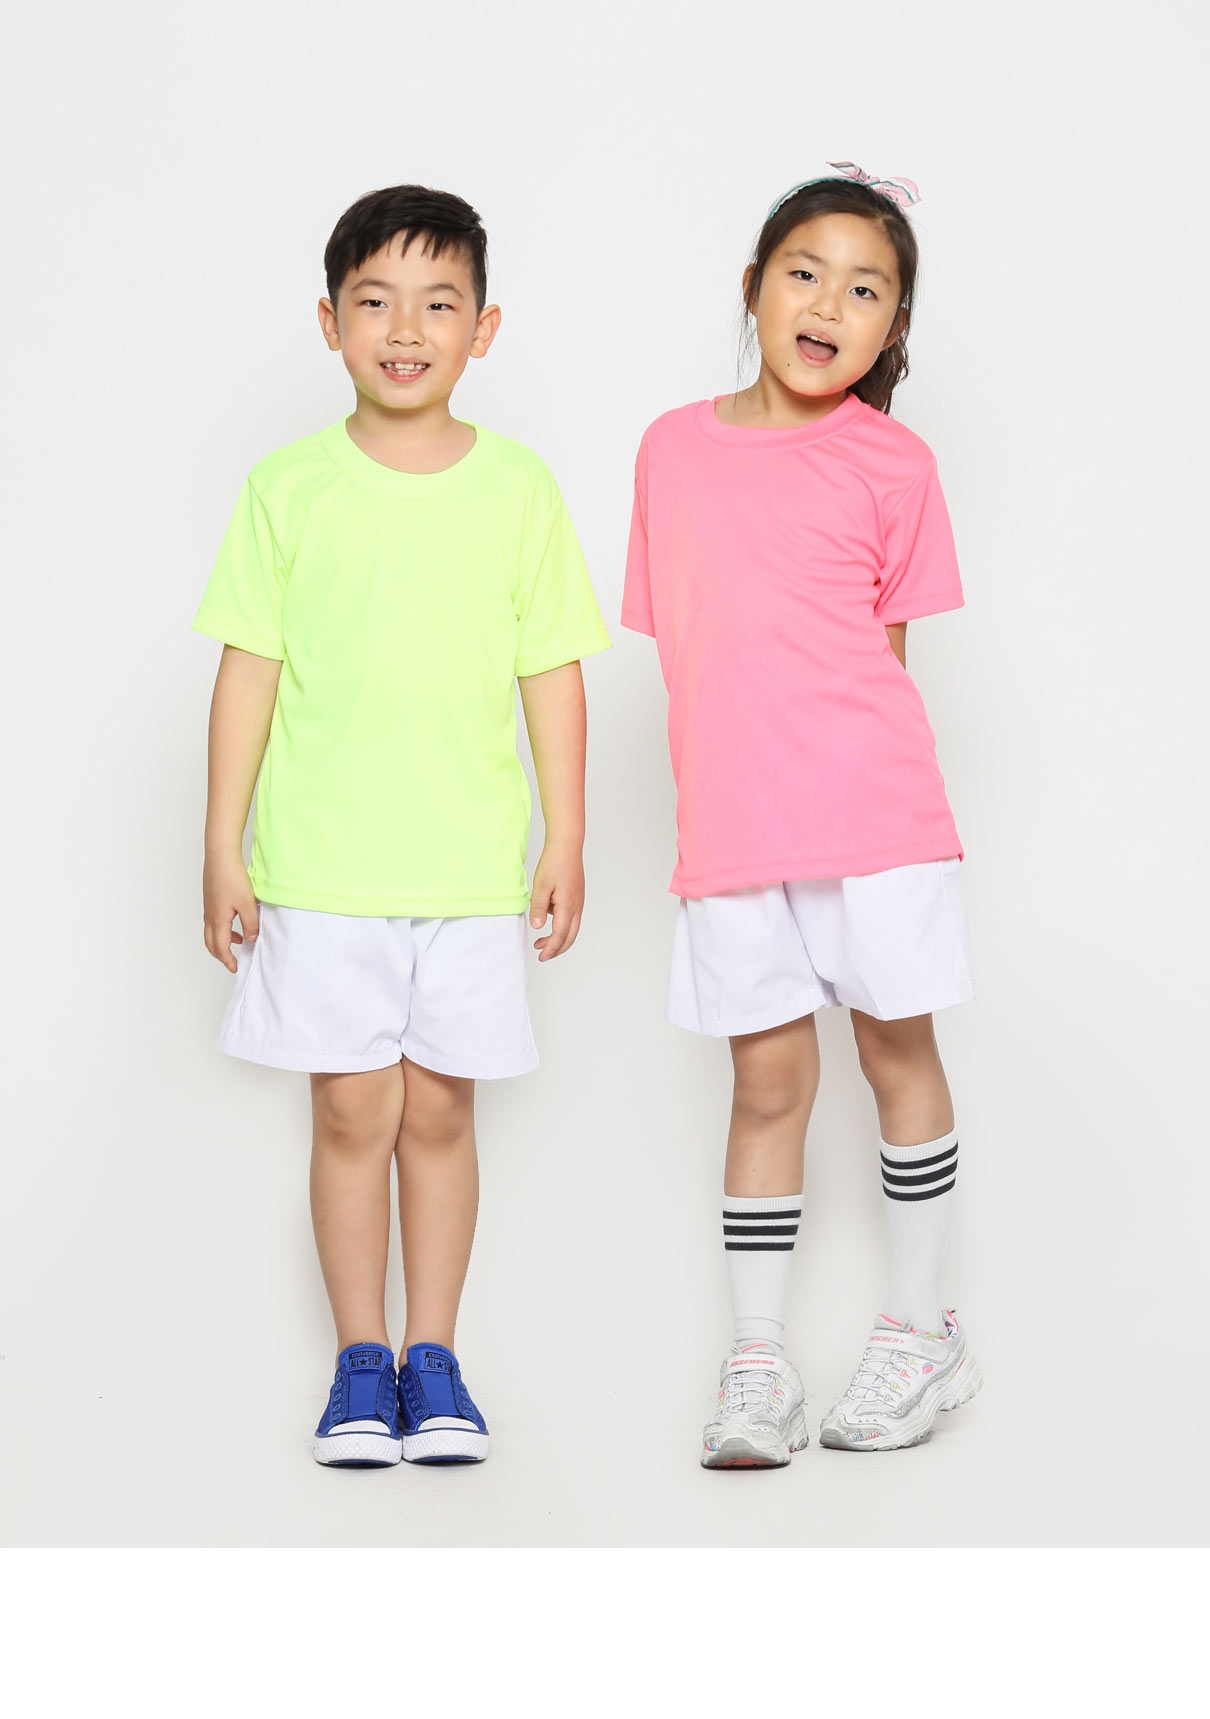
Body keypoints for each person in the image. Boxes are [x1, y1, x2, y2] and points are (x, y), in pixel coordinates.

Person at [194, 184, 610, 1468]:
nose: (406, 329)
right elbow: (247, 671)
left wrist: (564, 836)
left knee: (438, 1114)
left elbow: (552, 671)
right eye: (374, 301)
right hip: (321, 869)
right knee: (349, 1115)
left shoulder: (518, 489)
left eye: (438, 303)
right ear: (330, 322)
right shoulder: (288, 487)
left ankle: (436, 1360)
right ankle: (358, 1363)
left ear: (484, 329)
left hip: (470, 871)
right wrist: (220, 846)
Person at [621, 162, 982, 1466]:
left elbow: (881, 659)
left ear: (894, 327)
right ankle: (759, 1360)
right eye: (804, 273)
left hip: (873, 817)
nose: (829, 303)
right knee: (765, 1081)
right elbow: (695, 647)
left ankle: (919, 1331)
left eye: (865, 289)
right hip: (731, 828)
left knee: (894, 1052)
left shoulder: (895, 463)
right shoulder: (670, 448)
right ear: (752, 287)